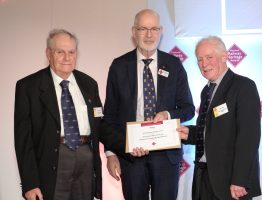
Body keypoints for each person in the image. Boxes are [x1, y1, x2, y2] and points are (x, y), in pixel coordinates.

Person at [14, 29, 128, 200]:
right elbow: (23, 140)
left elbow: (100, 127)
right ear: (48, 54)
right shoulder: (28, 87)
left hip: (86, 159)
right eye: (60, 52)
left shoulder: (89, 84)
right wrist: (30, 183)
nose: (67, 58)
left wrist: (129, 144)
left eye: (71, 52)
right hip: (53, 161)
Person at [103, 9, 195, 200]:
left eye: (154, 29)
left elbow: (188, 109)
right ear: (133, 32)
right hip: (131, 155)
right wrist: (111, 153)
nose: (149, 34)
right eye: (143, 29)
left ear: (161, 31)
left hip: (166, 155)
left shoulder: (174, 65)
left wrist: (167, 115)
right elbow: (110, 115)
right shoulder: (119, 66)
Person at [178, 36, 261, 200]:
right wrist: (190, 133)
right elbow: (214, 129)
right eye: (199, 59)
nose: (204, 64)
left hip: (230, 182)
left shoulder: (243, 86)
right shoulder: (206, 91)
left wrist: (240, 179)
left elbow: (248, 137)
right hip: (203, 177)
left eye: (209, 57)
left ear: (224, 57)